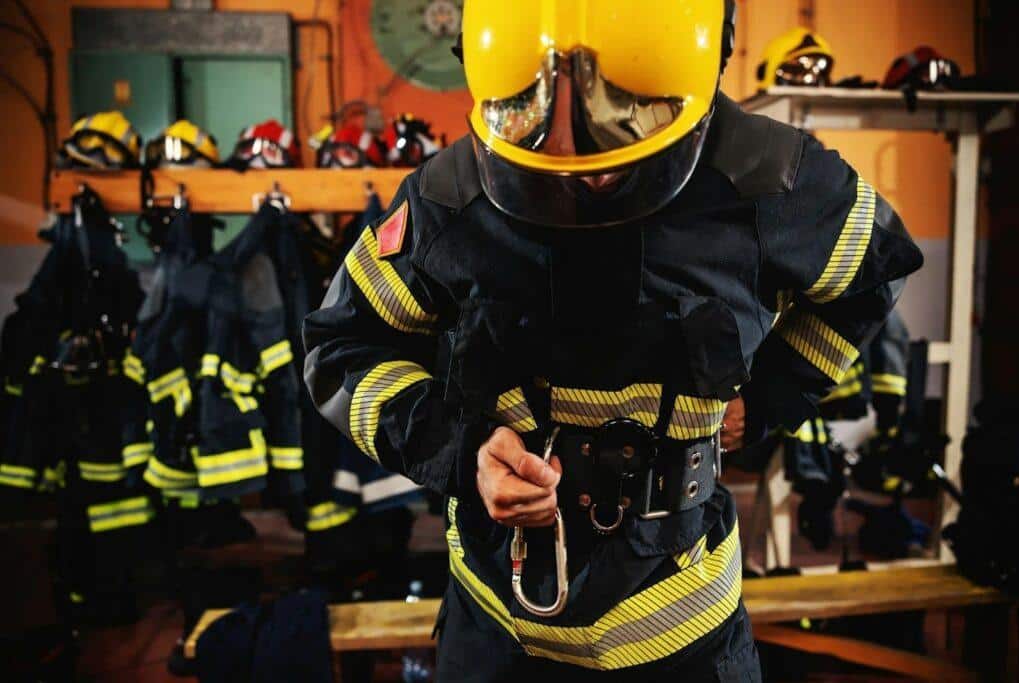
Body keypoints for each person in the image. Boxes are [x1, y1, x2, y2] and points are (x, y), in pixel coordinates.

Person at [302, 1, 923, 679]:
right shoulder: (449, 198)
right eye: (543, 123)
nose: (578, 168)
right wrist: (465, 452)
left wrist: (770, 398)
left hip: (687, 637)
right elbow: (342, 346)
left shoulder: (767, 178)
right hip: (497, 633)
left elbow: (875, 269)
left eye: (624, 113)